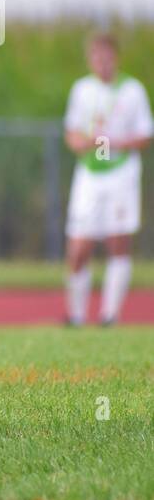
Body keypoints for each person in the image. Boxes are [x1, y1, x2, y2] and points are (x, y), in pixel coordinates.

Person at [62, 33, 152, 326]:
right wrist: (83, 143)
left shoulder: (132, 91)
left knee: (118, 241)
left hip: (121, 174)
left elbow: (144, 136)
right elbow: (72, 132)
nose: (101, 62)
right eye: (96, 57)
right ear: (90, 59)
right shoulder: (82, 90)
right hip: (89, 174)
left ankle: (109, 316)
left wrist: (114, 142)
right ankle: (76, 316)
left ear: (115, 57)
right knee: (78, 248)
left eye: (106, 56)